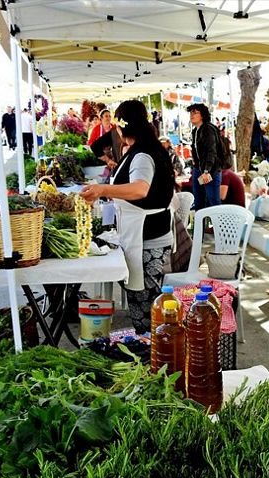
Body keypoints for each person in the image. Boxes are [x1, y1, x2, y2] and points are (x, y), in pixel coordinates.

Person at [80, 100, 174, 334]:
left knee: (147, 303)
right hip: (142, 232)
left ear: (121, 128)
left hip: (147, 236)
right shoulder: (142, 149)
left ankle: (155, 353)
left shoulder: (142, 154)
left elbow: (139, 189)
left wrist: (103, 190)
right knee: (143, 300)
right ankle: (152, 349)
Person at [186, 103, 222, 209]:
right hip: (199, 169)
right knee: (199, 202)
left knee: (213, 202)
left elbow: (212, 151)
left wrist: (207, 171)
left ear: (202, 115)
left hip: (210, 170)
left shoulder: (208, 129)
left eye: (195, 112)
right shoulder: (195, 131)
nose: (192, 115)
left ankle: (220, 225)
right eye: (191, 112)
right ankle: (201, 225)